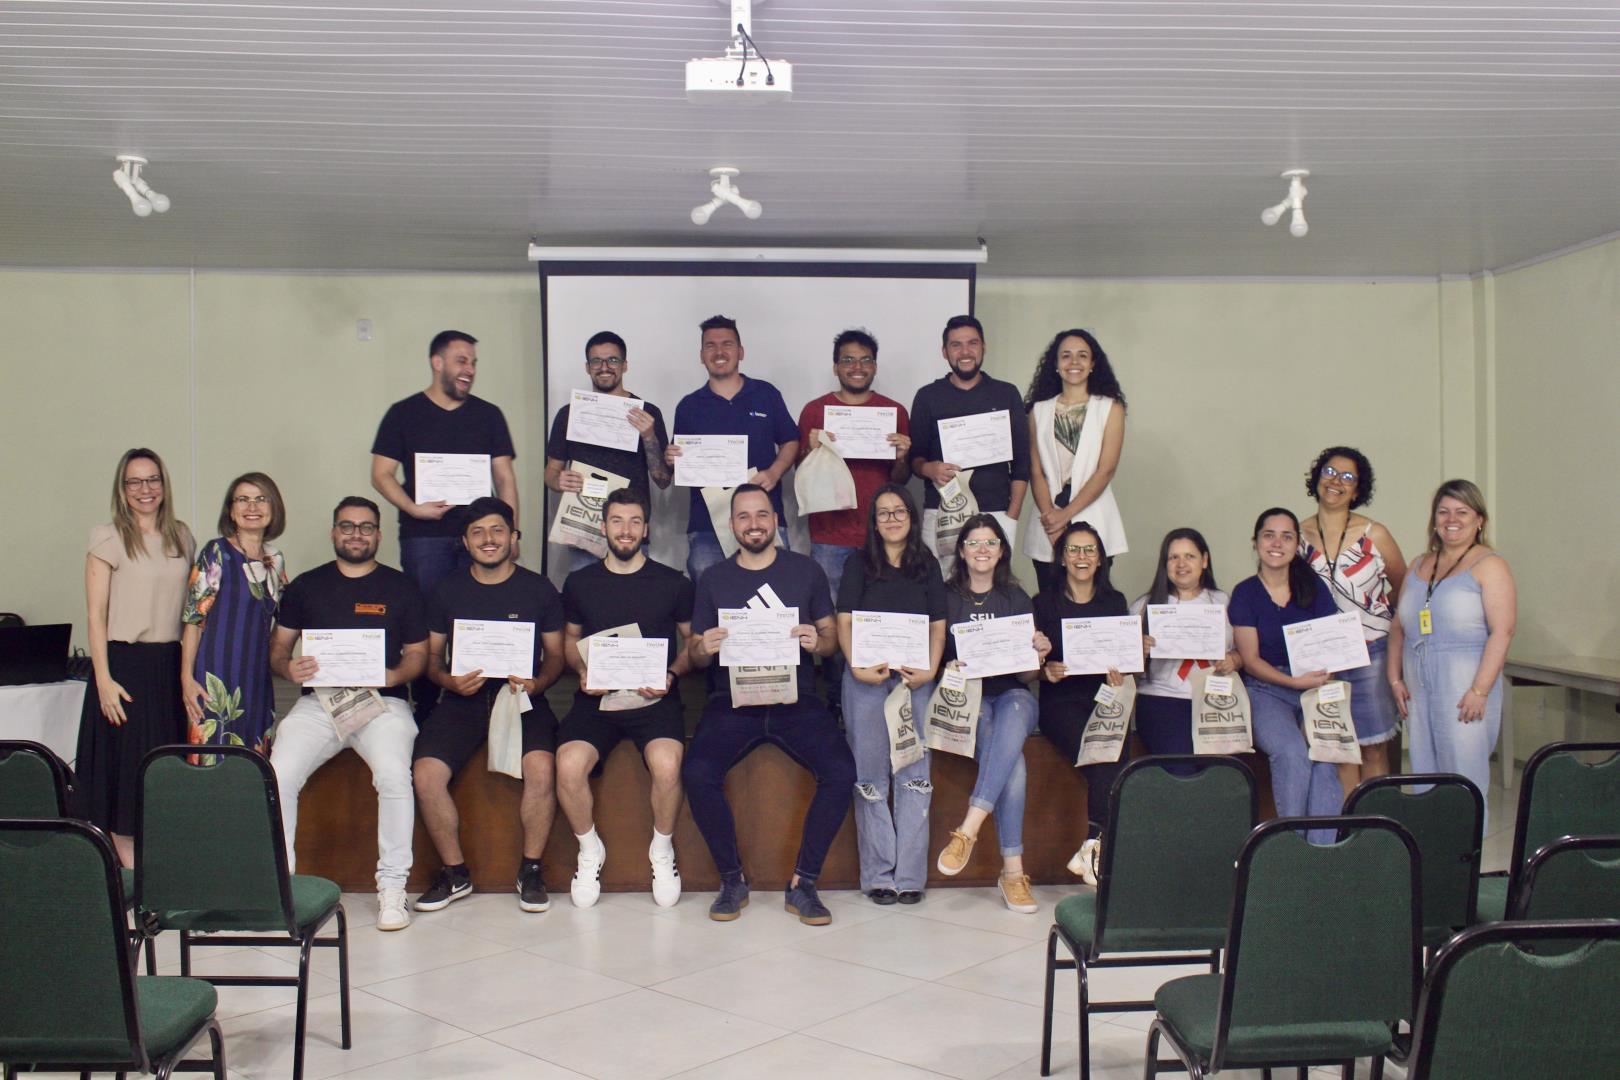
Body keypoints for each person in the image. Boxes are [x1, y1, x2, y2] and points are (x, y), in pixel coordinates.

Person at [682, 485, 856, 925]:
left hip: (796, 698)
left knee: (840, 771)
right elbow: (695, 652)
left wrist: (820, 642)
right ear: (732, 525)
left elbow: (831, 637)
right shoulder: (714, 579)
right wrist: (705, 646)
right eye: (744, 517)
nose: (754, 524)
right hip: (731, 700)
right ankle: (731, 879)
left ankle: (804, 883)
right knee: (697, 772)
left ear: (775, 520)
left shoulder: (807, 571)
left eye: (762, 515)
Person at [268, 497, 428, 932]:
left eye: (366, 527)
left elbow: (418, 654)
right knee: (278, 773)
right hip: (319, 703)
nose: (356, 534)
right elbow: (279, 650)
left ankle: (393, 888)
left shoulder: (402, 587)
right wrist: (288, 667)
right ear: (333, 532)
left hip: (384, 704)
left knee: (394, 775)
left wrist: (394, 673)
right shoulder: (305, 586)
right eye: (347, 526)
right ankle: (282, 890)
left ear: (378, 534)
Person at [411, 498, 566, 914]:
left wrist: (538, 683)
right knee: (425, 775)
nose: (488, 539)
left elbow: (556, 656)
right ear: (464, 541)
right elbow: (429, 661)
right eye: (477, 532)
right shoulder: (447, 590)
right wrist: (448, 680)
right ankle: (454, 871)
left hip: (521, 698)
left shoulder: (539, 589)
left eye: (497, 530)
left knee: (542, 768)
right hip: (462, 699)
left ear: (514, 538)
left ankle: (531, 869)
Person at [371, 330, 518, 719]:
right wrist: (413, 508)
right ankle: (423, 703)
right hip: (425, 536)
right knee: (426, 619)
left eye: (473, 362)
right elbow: (381, 474)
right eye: (461, 360)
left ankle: (483, 700)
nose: (469, 369)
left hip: (480, 536)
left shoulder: (488, 415)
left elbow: (504, 479)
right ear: (437, 363)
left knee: (480, 614)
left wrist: (511, 531)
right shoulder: (403, 413)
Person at [558, 487, 692, 909]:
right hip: (596, 701)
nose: (626, 530)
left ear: (646, 529)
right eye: (617, 521)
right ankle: (588, 849)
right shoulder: (580, 582)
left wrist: (671, 674)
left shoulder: (673, 583)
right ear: (603, 527)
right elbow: (568, 640)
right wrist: (582, 672)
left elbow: (693, 645)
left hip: (654, 700)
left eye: (635, 521)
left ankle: (662, 850)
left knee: (668, 764)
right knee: (567, 764)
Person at [75, 448, 195, 867]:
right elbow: (95, 614)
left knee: (164, 771)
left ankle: (160, 873)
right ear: (122, 489)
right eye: (135, 482)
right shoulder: (107, 538)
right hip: (123, 667)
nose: (145, 490)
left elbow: (193, 613)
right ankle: (135, 882)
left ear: (164, 484)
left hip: (169, 668)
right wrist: (103, 679)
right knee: (125, 777)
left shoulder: (182, 536)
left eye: (153, 480)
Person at [934, 515, 1052, 914]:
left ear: (1001, 550)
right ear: (962, 550)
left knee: (1018, 707)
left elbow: (1028, 675)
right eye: (973, 542)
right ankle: (1013, 872)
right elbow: (935, 660)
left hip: (1013, 693)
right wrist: (945, 669)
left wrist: (1037, 653)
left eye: (990, 542)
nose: (982, 549)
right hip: (969, 697)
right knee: (1013, 765)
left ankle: (968, 828)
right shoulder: (946, 596)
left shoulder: (1017, 598)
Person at [835, 483, 944, 905]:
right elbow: (844, 619)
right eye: (883, 513)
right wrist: (855, 666)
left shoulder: (927, 564)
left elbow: (937, 623)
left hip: (915, 680)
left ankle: (911, 877)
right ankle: (879, 873)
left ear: (912, 518)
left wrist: (930, 669)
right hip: (867, 681)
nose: (893, 519)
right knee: (870, 778)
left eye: (900, 511)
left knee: (915, 778)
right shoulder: (857, 563)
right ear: (873, 522)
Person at [797, 328, 912, 716]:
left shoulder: (894, 412)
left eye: (864, 360)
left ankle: (881, 697)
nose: (857, 367)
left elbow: (899, 480)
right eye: (848, 359)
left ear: (874, 366)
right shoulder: (815, 411)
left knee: (879, 616)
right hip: (830, 536)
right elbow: (801, 473)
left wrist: (901, 455)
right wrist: (810, 449)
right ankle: (835, 698)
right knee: (832, 620)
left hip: (882, 538)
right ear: (836, 367)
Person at [1389, 480, 1516, 830]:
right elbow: (1399, 626)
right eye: (1443, 512)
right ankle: (1432, 840)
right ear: (1434, 520)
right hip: (1419, 683)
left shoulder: (1490, 565)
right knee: (1424, 767)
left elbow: (1502, 632)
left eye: (1462, 512)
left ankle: (1468, 846)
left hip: (1466, 683)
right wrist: (1395, 678)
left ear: (1479, 520)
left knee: (1464, 769)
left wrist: (1480, 690)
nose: (1451, 519)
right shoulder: (1418, 565)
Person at [1228, 508, 1342, 844]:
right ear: (1256, 541)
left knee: (1323, 755)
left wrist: (1315, 699)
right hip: (1267, 690)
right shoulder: (1246, 592)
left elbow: (1331, 646)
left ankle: (1321, 855)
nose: (1277, 543)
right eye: (1269, 534)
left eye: (1286, 536)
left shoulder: (1314, 587)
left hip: (1315, 687)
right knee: (1291, 752)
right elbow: (1249, 659)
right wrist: (1294, 684)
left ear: (1297, 545)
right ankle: (1292, 848)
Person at [1299, 447, 1407, 792]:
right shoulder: (1296, 536)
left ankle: (1376, 827)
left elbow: (1404, 585)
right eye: (1330, 472)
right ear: (1317, 479)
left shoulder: (1376, 535)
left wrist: (1375, 617)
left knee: (1373, 746)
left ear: (1358, 490)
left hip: (1370, 652)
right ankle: (1345, 830)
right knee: (1338, 748)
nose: (1336, 481)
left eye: (1348, 477)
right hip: (1320, 657)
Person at [667, 316, 799, 584]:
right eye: (710, 346)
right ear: (701, 355)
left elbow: (791, 440)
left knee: (775, 594)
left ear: (740, 352)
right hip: (706, 527)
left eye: (727, 344)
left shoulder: (766, 394)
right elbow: (679, 463)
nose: (719, 352)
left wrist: (774, 472)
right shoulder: (688, 406)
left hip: (764, 518)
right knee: (711, 602)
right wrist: (672, 459)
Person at [1034, 521, 1129, 886]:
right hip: (1061, 703)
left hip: (1103, 698)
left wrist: (1119, 671)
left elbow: (1121, 656)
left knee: (1114, 747)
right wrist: (1047, 671)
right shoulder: (1043, 603)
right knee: (1102, 752)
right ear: (1061, 558)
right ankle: (1097, 847)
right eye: (1073, 550)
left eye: (1089, 550)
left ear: (1101, 559)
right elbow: (1034, 664)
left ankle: (1093, 846)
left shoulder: (1114, 601)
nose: (1081, 557)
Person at [909, 315, 1032, 575]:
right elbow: (915, 458)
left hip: (997, 511)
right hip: (943, 512)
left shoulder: (1006, 394)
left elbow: (1022, 462)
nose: (965, 351)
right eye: (956, 345)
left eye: (972, 343)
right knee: (941, 587)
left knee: (995, 589)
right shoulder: (927, 397)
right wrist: (929, 469)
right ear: (945, 352)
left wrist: (1012, 514)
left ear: (983, 347)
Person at [545, 331, 672, 573]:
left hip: (629, 531)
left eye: (613, 360)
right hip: (583, 528)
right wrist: (558, 480)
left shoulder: (648, 413)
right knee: (587, 601)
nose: (604, 367)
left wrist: (649, 436)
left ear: (625, 365)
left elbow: (663, 480)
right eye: (596, 361)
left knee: (632, 604)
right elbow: (550, 472)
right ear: (587, 367)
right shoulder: (568, 414)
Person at [181, 472, 287, 754]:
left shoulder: (275, 560)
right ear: (231, 510)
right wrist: (186, 679)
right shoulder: (216, 552)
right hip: (213, 678)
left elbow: (284, 621)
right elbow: (193, 619)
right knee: (211, 758)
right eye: (243, 500)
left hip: (257, 679)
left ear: (273, 507)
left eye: (261, 499)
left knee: (253, 759)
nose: (252, 507)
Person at [1022, 329, 1128, 592]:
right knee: (1050, 603)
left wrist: (1065, 516)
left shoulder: (1110, 408)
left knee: (1091, 601)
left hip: (1094, 517)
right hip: (1047, 522)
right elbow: (1035, 471)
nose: (1074, 362)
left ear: (1093, 364)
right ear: (1055, 364)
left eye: (1082, 356)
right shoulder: (1038, 410)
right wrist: (1052, 520)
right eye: (1066, 356)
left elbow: (1106, 470)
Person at [1129, 528, 1240, 766]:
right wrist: (1139, 654)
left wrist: (1234, 660)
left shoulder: (1223, 601)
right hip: (1163, 700)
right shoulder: (1143, 606)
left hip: (1216, 699)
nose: (1182, 564)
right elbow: (1129, 675)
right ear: (1164, 563)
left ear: (1205, 560)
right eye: (1173, 557)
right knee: (1183, 769)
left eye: (1189, 556)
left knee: (1219, 773)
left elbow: (1244, 653)